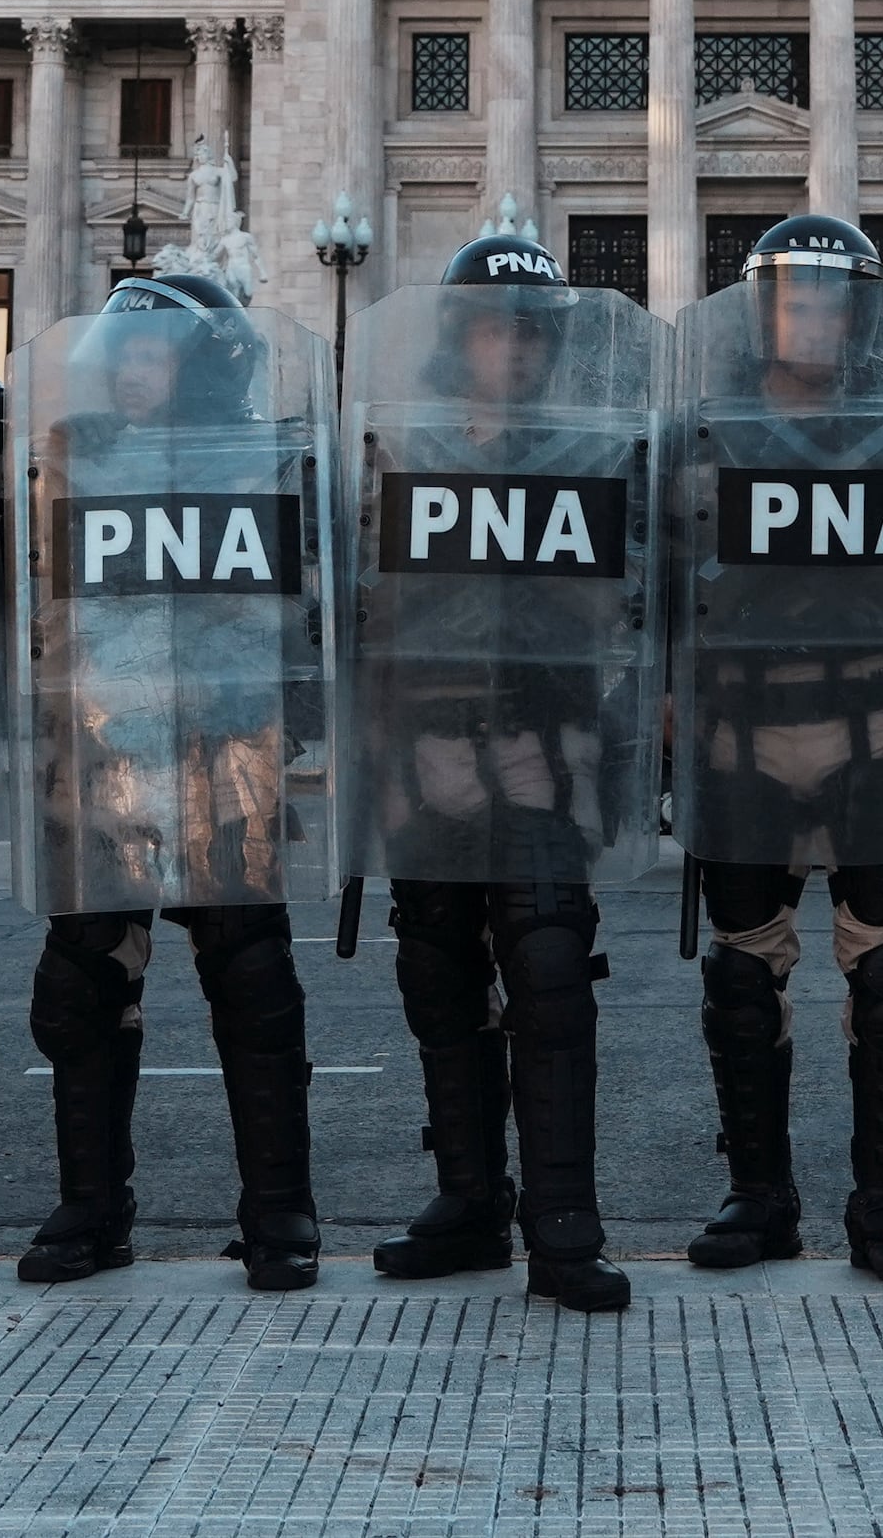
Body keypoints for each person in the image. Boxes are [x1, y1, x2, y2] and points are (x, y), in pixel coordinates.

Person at [671, 214, 883, 1287]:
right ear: (762, 311)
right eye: (793, 297)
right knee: (742, 973)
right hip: (742, 725)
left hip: (874, 720)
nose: (812, 316)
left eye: (831, 298)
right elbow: (663, 584)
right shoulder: (703, 431)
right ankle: (758, 1196)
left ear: (860, 316)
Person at [16, 270, 323, 1290]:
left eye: (153, 352)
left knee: (252, 978)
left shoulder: (259, 460)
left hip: (224, 748)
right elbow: (45, 610)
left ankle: (279, 1212)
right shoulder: (75, 457)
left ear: (202, 366)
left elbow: (298, 615)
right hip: (107, 749)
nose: (131, 370)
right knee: (80, 981)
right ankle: (90, 1208)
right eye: (123, 354)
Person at [354, 232, 641, 1313]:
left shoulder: (589, 454)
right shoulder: (399, 448)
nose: (512, 350)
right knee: (438, 973)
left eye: (529, 335)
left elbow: (622, 604)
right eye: (490, 331)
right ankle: (469, 1199)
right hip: (425, 740)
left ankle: (562, 1221)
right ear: (456, 340)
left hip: (539, 740)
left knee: (550, 970)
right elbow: (366, 607)